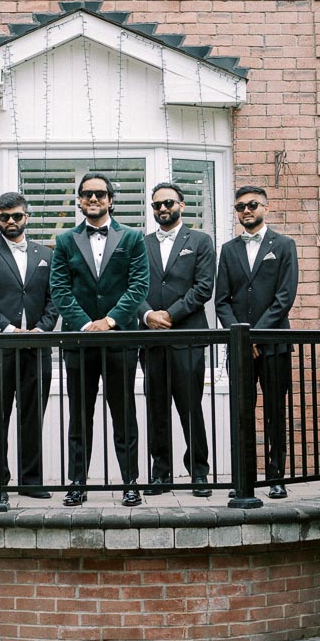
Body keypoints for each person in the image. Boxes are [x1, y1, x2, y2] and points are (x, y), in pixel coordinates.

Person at [50, 171, 150, 507]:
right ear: (79, 200)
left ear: (110, 200)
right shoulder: (64, 241)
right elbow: (59, 290)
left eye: (100, 194)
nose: (94, 199)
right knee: (80, 415)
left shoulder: (133, 238)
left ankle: (130, 483)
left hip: (120, 339)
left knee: (124, 414)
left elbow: (138, 287)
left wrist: (109, 321)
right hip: (79, 342)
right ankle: (77, 483)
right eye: (87, 194)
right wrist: (84, 324)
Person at [0, 191, 58, 499]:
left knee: (33, 415)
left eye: (17, 216)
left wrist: (41, 329)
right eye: (4, 217)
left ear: (26, 217)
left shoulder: (45, 254)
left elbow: (54, 298)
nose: (11, 222)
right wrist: (7, 327)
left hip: (37, 347)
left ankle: (31, 481)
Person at [215, 185, 298, 498]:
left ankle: (276, 477)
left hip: (274, 345)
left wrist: (256, 335)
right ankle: (244, 480)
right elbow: (221, 300)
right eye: (240, 207)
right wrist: (240, 335)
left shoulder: (285, 245)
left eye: (252, 205)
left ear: (265, 207)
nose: (246, 211)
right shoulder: (228, 249)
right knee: (242, 414)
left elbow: (285, 297)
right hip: (239, 349)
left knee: (276, 412)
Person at [140, 182, 216, 498]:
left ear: (181, 205)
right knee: (156, 410)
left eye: (168, 202)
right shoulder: (140, 244)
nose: (162, 209)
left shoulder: (200, 241)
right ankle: (161, 475)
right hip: (151, 341)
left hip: (187, 338)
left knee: (190, 408)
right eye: (156, 205)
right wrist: (147, 315)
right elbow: (133, 287)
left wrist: (168, 315)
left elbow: (203, 288)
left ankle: (199, 472)